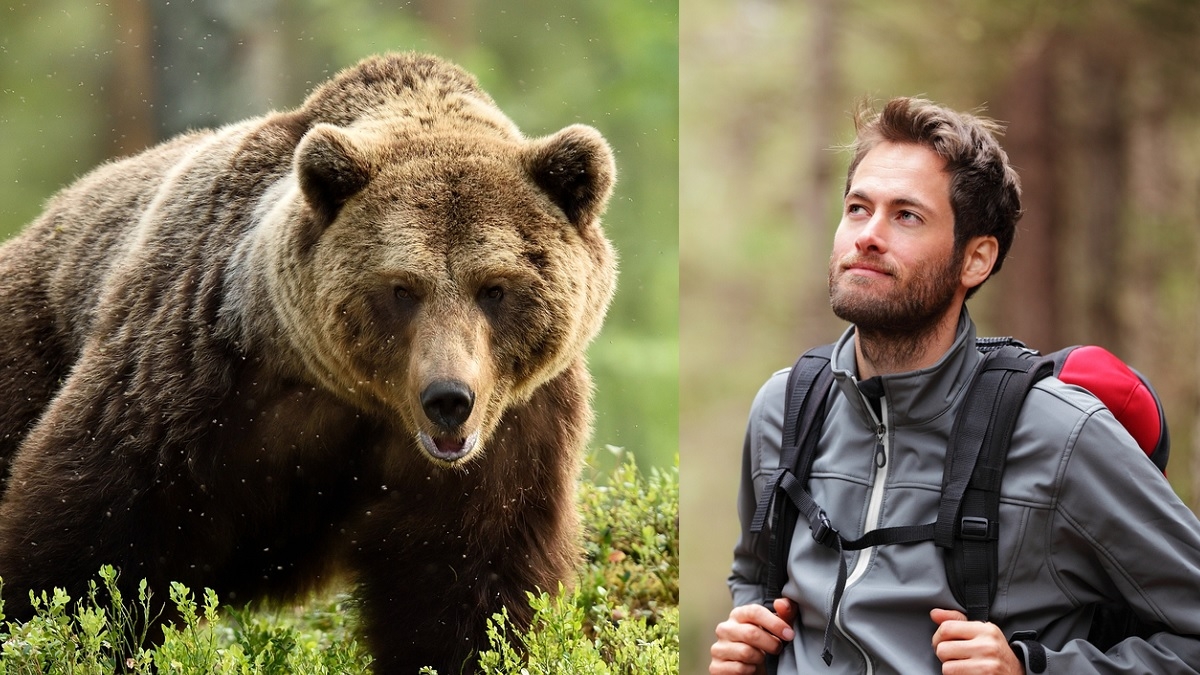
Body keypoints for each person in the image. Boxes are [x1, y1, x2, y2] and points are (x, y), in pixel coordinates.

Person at [709, 97, 1200, 674]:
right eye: (858, 208)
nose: (868, 235)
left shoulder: (1060, 434)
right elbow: (752, 573)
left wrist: (1031, 669)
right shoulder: (785, 409)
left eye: (907, 216)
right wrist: (749, 631)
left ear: (976, 259)